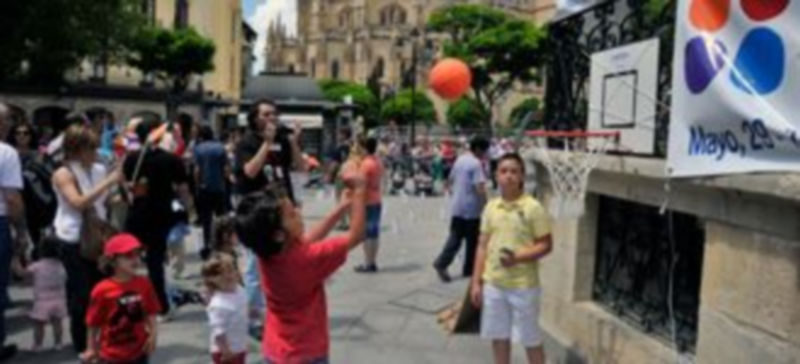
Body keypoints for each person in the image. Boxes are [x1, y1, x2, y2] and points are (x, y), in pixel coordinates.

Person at [233, 166, 366, 363]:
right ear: (278, 235)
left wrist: (341, 208)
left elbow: (307, 240)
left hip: (276, 350)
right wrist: (361, 190)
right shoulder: (307, 259)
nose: (298, 212)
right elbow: (356, 236)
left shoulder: (266, 252)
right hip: (307, 352)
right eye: (292, 214)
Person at [470, 153, 553, 364]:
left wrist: (518, 257)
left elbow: (546, 244)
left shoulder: (532, 207)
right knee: (498, 338)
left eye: (514, 171)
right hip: (494, 285)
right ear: (496, 175)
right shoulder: (491, 207)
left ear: (522, 176)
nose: (509, 176)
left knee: (530, 339)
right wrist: (476, 283)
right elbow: (482, 245)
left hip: (523, 286)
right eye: (504, 171)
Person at [51, 122, 121, 353]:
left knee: (104, 290)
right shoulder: (63, 173)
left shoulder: (99, 169)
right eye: (91, 148)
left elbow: (103, 201)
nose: (96, 153)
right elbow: (78, 202)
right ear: (75, 149)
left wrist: (119, 194)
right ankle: (82, 345)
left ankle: (103, 337)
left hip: (99, 236)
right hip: (73, 239)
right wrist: (108, 183)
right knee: (81, 296)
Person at [123, 115, 194, 321]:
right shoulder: (171, 159)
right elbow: (183, 189)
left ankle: (128, 302)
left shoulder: (131, 158)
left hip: (136, 213)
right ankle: (161, 307)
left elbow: (128, 185)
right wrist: (186, 208)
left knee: (129, 261)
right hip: (160, 215)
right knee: (155, 263)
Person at [82, 234, 161, 364]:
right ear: (113, 260)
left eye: (138, 254)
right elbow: (93, 322)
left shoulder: (144, 284)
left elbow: (151, 311)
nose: (135, 260)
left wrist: (153, 334)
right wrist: (90, 348)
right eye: (128, 255)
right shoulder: (101, 290)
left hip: (139, 352)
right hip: (111, 355)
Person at [433, 136, 490, 282]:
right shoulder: (476, 164)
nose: (485, 154)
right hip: (471, 209)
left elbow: (450, 180)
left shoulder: (460, 159)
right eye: (484, 151)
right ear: (477, 149)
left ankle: (444, 263)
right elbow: (479, 187)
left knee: (456, 237)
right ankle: (467, 269)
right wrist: (487, 205)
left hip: (457, 206)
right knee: (472, 241)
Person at [235, 99, 305, 202]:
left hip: (282, 198)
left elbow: (301, 168)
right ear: (255, 119)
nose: (272, 118)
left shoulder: (282, 139)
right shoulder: (247, 140)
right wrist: (267, 143)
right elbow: (250, 172)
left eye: (275, 114)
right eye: (266, 115)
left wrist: (293, 143)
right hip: (256, 200)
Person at [11, 236, 66, 351]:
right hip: (59, 299)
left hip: (41, 301)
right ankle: (58, 343)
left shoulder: (38, 266)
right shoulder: (61, 265)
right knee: (57, 324)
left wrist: (15, 260)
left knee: (38, 325)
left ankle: (38, 345)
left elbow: (21, 273)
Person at [0, 103, 25, 360]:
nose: (10, 126)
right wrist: (21, 232)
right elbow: (12, 198)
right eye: (7, 120)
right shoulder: (6, 153)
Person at [202, 255, 248, 364]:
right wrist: (226, 351)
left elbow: (245, 307)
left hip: (240, 346)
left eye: (231, 270)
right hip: (225, 351)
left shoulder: (239, 290)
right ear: (211, 279)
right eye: (220, 274)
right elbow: (218, 332)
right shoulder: (218, 304)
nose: (228, 275)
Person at [194, 125, 229, 260]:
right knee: (221, 218)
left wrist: (197, 185)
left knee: (206, 220)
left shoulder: (198, 149)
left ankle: (207, 245)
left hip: (204, 188)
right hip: (219, 187)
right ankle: (222, 245)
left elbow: (197, 170)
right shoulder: (220, 147)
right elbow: (225, 168)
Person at [354, 137, 384, 273]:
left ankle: (367, 263)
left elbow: (361, 184)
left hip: (367, 201)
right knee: (374, 233)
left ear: (365, 148)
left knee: (366, 234)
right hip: (377, 199)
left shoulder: (366, 164)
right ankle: (373, 262)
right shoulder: (378, 162)